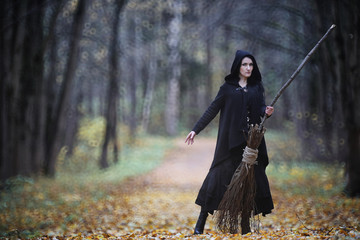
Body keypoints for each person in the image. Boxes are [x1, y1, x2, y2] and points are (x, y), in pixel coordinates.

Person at [185, 50, 274, 235]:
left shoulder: (257, 87)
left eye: (251, 65)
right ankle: (200, 223)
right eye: (245, 65)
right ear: (238, 67)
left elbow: (259, 109)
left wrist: (266, 111)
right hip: (230, 144)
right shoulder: (227, 88)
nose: (248, 68)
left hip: (251, 144)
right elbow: (212, 109)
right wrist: (195, 129)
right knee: (217, 179)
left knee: (251, 182)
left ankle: (245, 226)